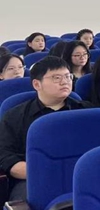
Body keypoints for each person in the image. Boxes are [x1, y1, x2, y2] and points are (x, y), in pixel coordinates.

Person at [0, 56, 90, 201]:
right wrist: (44, 174)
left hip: (82, 177)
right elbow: (6, 156)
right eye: (56, 78)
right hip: (33, 179)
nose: (65, 82)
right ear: (37, 84)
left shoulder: (87, 112)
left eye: (68, 76)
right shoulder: (14, 116)